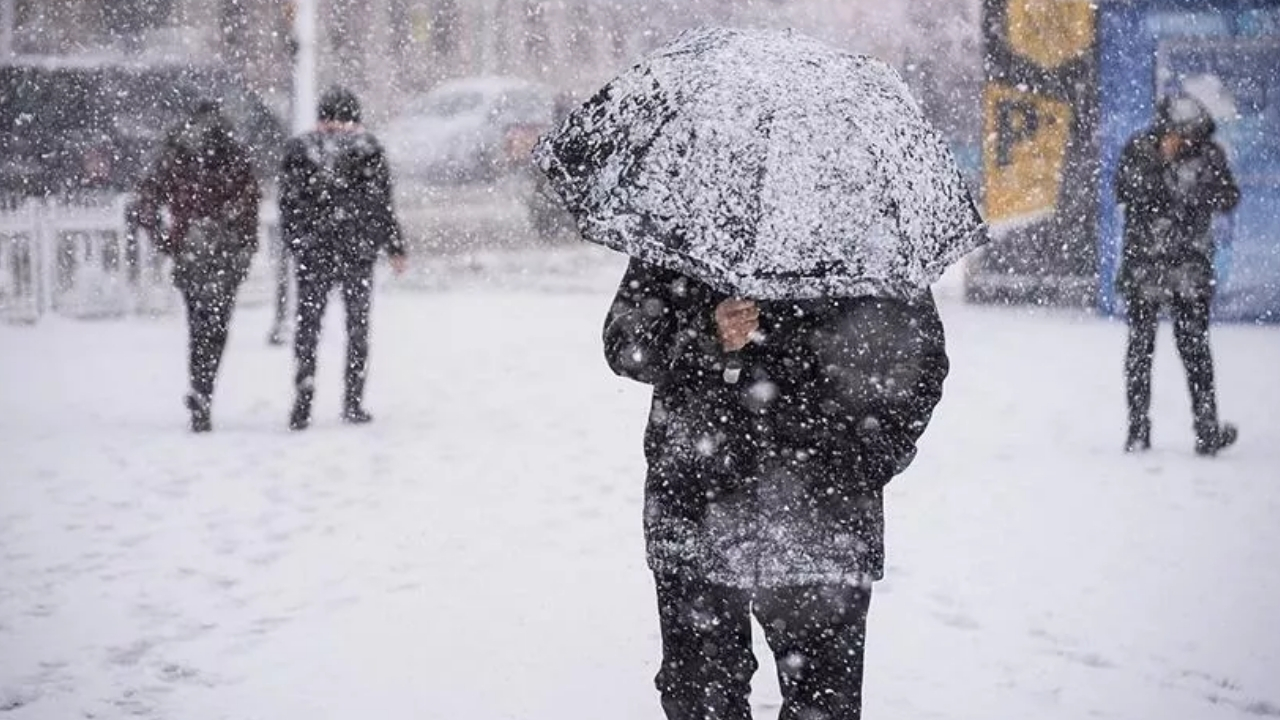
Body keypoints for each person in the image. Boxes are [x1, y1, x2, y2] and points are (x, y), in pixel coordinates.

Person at [603, 259, 949, 720]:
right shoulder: (687, 230)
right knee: (701, 700)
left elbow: (921, 362)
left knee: (823, 705)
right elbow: (626, 344)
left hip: (824, 519)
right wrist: (706, 332)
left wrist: (863, 461)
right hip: (698, 507)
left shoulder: (867, 240)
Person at [1115, 94, 1240, 455]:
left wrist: (1195, 186)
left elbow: (1228, 197)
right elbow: (1126, 191)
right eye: (1180, 134)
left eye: (1191, 135)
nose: (1185, 141)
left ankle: (1206, 430)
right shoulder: (1140, 149)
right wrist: (1162, 165)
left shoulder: (1209, 155)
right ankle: (1138, 430)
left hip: (1189, 267)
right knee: (1140, 350)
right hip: (1145, 266)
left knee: (1195, 350)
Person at [279, 86, 407, 430]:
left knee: (308, 325)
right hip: (356, 252)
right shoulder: (367, 148)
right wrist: (394, 246)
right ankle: (353, 400)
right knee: (357, 327)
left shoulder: (301, 149)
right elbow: (381, 204)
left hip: (314, 252)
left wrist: (298, 242)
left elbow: (288, 204)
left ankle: (304, 392)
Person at [135, 99, 261, 432]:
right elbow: (250, 204)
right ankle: (205, 388)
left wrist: (166, 239)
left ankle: (200, 387)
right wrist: (246, 246)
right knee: (217, 326)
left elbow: (147, 201)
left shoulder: (177, 153)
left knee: (199, 323)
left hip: (190, 249)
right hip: (226, 250)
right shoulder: (233, 152)